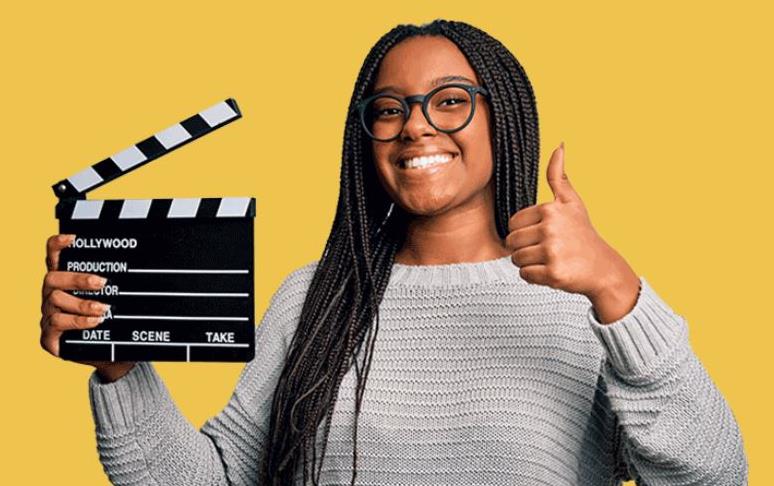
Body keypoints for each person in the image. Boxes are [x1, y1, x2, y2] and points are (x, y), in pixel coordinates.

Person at [40, 19, 748, 486]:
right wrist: (118, 367)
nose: (416, 127)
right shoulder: (312, 299)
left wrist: (618, 293)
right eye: (389, 108)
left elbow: (714, 476)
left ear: (504, 117)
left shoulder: (583, 303)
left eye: (449, 101)